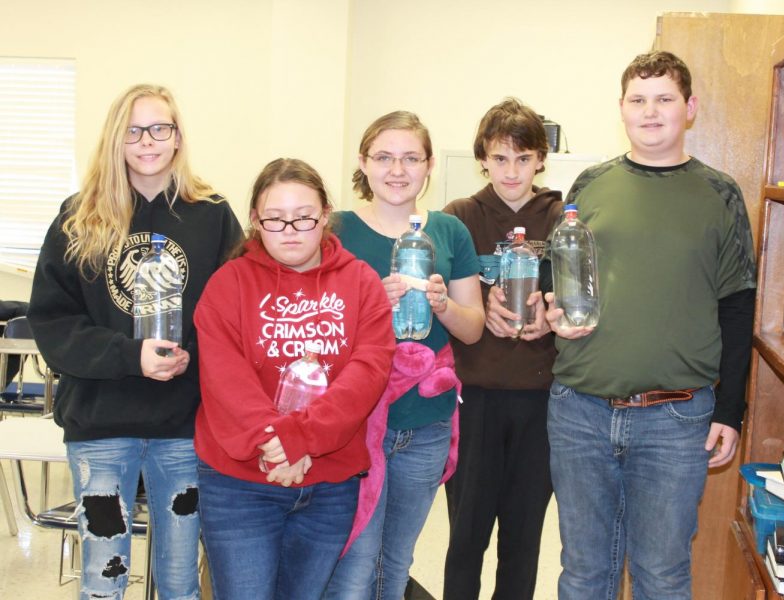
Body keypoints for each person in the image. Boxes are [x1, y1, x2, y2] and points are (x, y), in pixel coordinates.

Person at [541, 51, 757, 599]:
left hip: (677, 421)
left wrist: (731, 408)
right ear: (622, 108)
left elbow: (737, 307)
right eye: (638, 100)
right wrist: (551, 314)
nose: (651, 111)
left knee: (662, 575)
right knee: (584, 572)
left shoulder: (720, 195)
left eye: (665, 99)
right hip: (579, 412)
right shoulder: (589, 185)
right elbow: (556, 280)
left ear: (690, 108)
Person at [27, 83, 244, 600]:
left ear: (177, 138)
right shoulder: (78, 217)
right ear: (115, 139)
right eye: (133, 130)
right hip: (101, 427)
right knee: (104, 580)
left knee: (179, 582)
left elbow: (235, 311)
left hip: (185, 429)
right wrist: (131, 356)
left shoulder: (212, 214)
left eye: (159, 128)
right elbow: (53, 322)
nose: (147, 141)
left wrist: (191, 353)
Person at [192, 158, 396, 599]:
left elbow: (368, 372)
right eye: (275, 219)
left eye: (304, 217)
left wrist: (301, 438)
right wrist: (281, 443)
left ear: (325, 216)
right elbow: (226, 380)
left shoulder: (361, 283)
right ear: (255, 221)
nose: (290, 230)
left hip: (328, 486)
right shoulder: (228, 285)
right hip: (241, 485)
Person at [325, 111, 485, 600]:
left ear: (429, 164)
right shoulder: (335, 231)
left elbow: (474, 328)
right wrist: (372, 302)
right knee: (354, 560)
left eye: (411, 158)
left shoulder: (450, 232)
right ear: (363, 163)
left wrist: (442, 306)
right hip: (355, 423)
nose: (398, 170)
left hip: (425, 425)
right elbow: (316, 328)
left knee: (395, 562)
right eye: (385, 157)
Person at [441, 98, 561, 600]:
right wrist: (472, 305)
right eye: (499, 158)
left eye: (524, 157)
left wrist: (549, 321)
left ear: (540, 160)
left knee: (523, 538)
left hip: (543, 400)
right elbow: (437, 307)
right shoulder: (458, 218)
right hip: (475, 398)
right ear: (483, 160)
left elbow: (582, 303)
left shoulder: (564, 220)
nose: (511, 171)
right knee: (466, 537)